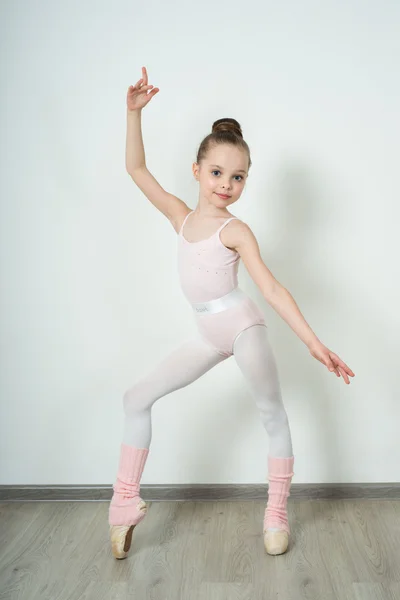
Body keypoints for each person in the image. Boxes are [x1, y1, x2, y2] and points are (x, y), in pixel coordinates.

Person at [108, 66, 355, 560]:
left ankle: (276, 513)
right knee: (136, 398)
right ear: (197, 171)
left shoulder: (236, 231)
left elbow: (271, 288)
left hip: (241, 327)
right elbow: (137, 171)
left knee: (271, 413)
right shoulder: (180, 217)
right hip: (207, 332)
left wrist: (314, 342)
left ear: (245, 182)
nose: (226, 184)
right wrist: (132, 114)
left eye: (238, 177)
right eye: (217, 173)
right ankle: (125, 502)